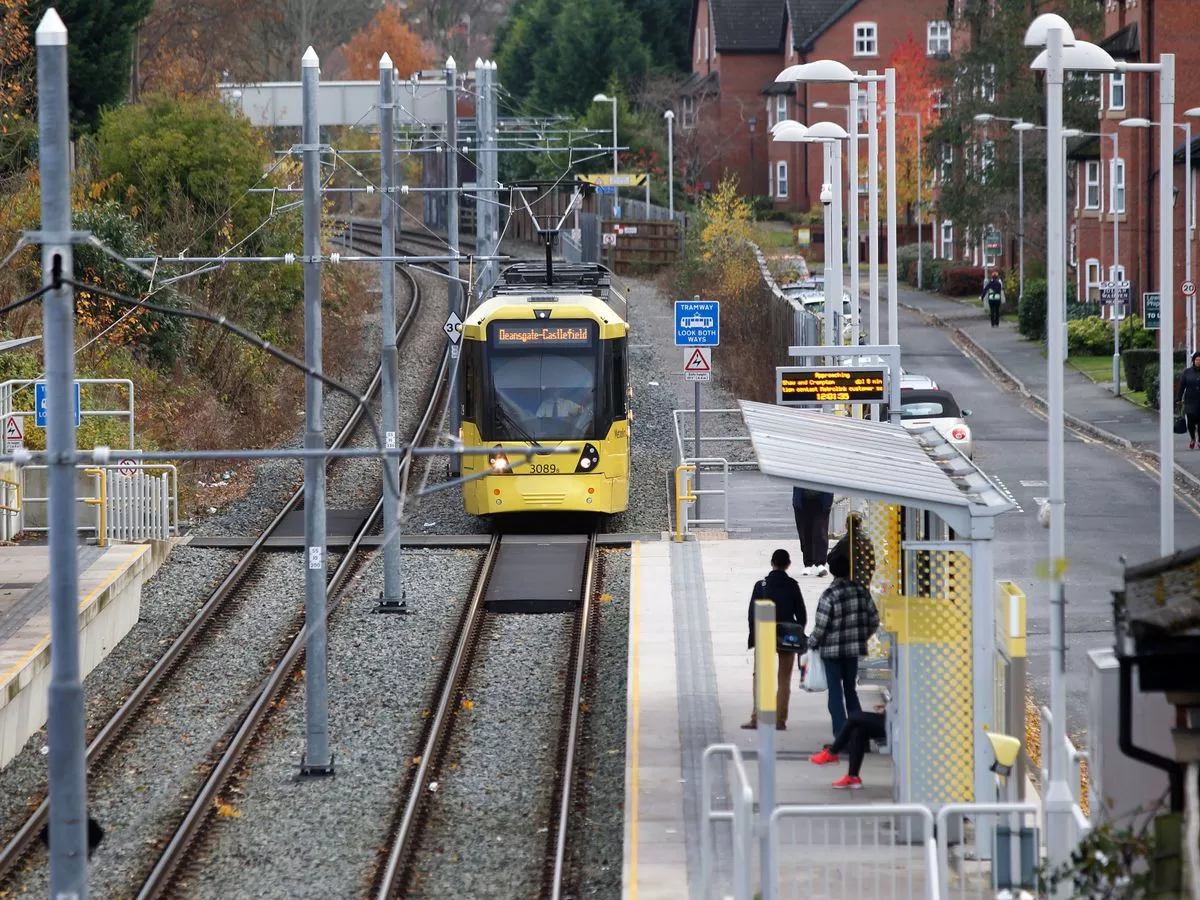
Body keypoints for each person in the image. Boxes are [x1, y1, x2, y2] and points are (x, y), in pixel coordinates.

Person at [807, 551, 881, 741]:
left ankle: (840, 735)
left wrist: (811, 643)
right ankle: (858, 734)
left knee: (835, 692)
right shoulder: (861, 592)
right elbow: (874, 620)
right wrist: (861, 637)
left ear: (832, 571)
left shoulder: (829, 595)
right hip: (853, 650)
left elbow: (821, 626)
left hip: (831, 652)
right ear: (849, 571)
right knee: (850, 691)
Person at [741, 548, 807, 732]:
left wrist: (754, 636)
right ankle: (780, 719)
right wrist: (797, 632)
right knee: (784, 679)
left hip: (765, 634)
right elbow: (802, 615)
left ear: (772, 563)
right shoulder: (792, 585)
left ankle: (756, 718)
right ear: (788, 565)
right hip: (787, 637)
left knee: (760, 677)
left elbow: (752, 614)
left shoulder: (761, 585)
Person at [810, 704, 888, 790]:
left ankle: (832, 752)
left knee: (854, 717)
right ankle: (853, 777)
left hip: (895, 723)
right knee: (858, 730)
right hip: (892, 720)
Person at [792, 487, 834, 576]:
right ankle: (808, 563)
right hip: (803, 499)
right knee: (805, 532)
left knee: (820, 531)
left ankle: (820, 563)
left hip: (822, 500)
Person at [828, 512, 876, 589]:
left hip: (846, 581)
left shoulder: (845, 541)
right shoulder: (867, 540)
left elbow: (830, 558)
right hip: (864, 581)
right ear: (860, 524)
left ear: (847, 525)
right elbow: (872, 563)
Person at [1177, 352, 1200, 450]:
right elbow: (1182, 386)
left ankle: (1199, 440)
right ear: (1193, 361)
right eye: (1197, 360)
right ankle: (1192, 438)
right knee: (1190, 422)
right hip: (1190, 400)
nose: (1198, 361)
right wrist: (1178, 398)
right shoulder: (1187, 372)